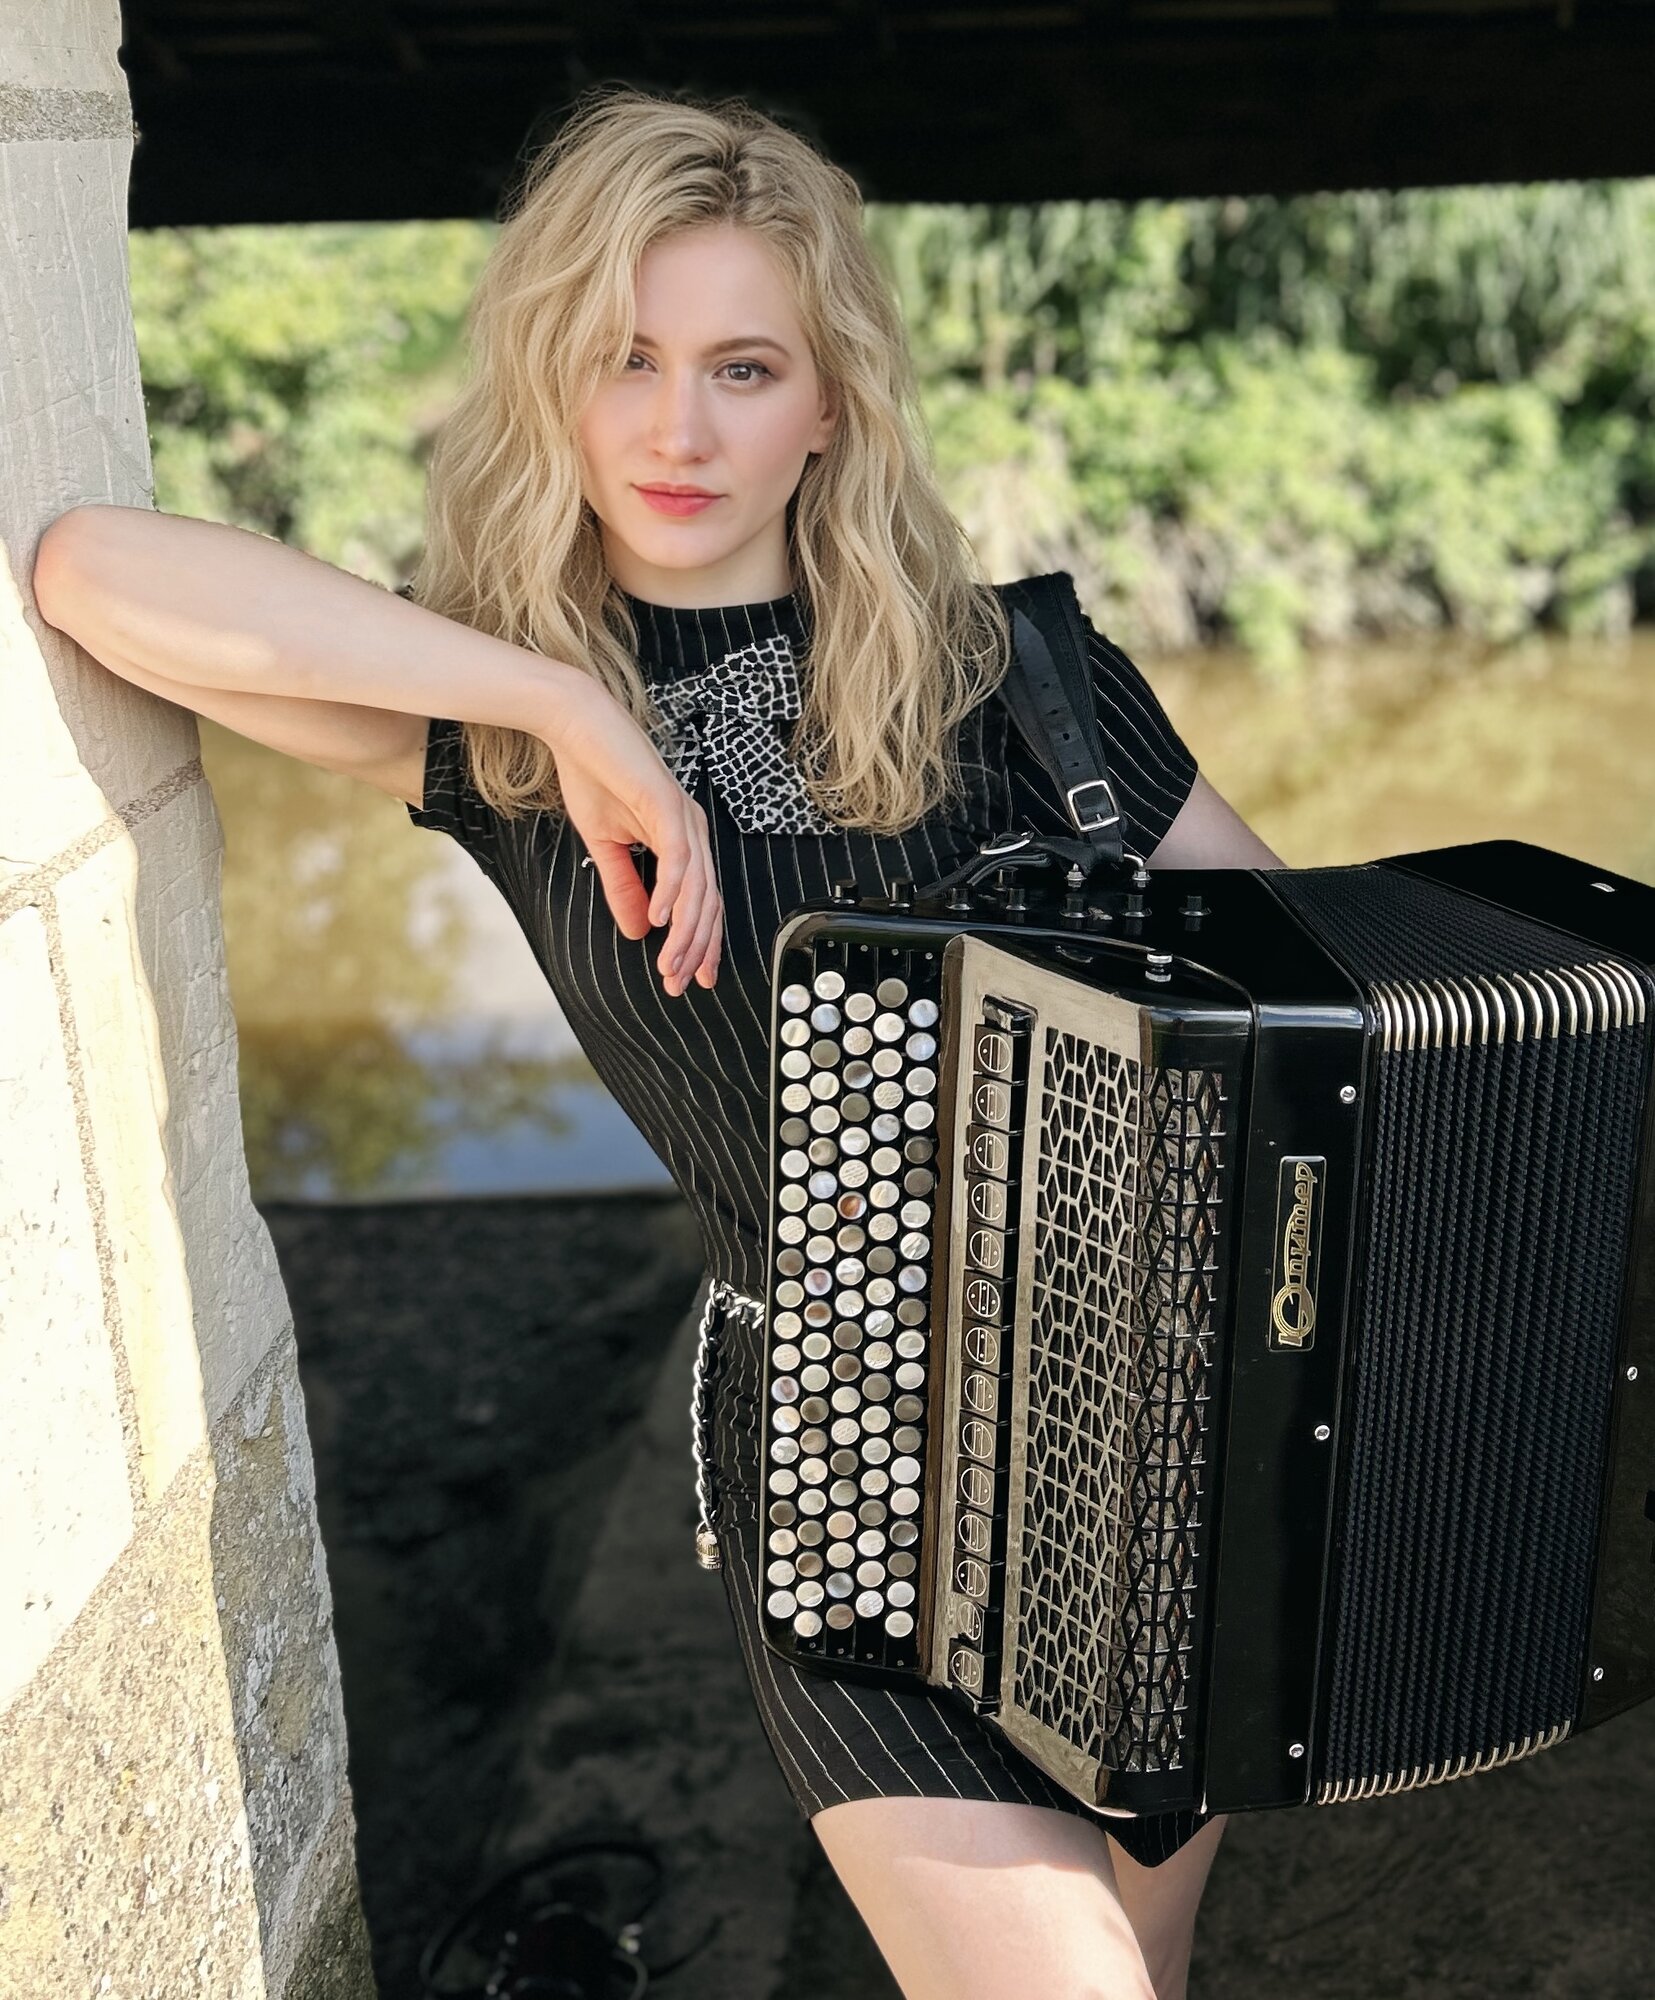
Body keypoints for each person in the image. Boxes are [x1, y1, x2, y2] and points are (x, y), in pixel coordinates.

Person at [34, 81, 1283, 2000]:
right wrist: (564, 700)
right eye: (624, 357)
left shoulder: (1027, 676)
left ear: (830, 402)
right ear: (555, 378)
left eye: (742, 367)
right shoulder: (508, 733)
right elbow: (92, 572)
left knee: (1143, 1958)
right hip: (842, 1468)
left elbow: (1319, 1008)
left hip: (1149, 1440)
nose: (678, 429)